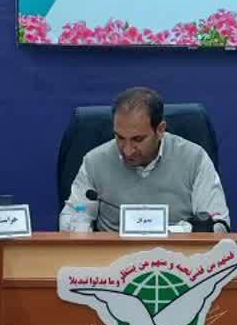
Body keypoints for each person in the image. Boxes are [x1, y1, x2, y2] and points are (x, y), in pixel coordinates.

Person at [67, 87, 228, 233]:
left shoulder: (195, 159)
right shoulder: (94, 161)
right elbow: (73, 216)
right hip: (111, 252)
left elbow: (218, 225)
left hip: (178, 252)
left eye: (137, 139)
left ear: (160, 130)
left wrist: (177, 231)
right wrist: (81, 229)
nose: (127, 150)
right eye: (120, 137)